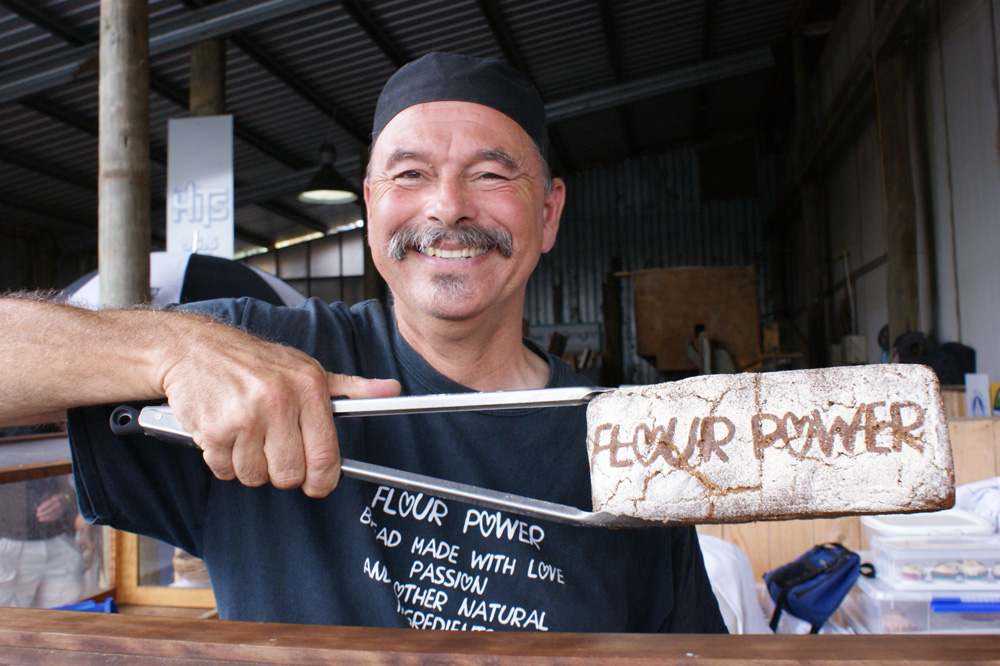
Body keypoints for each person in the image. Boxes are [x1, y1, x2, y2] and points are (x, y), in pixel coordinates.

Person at [0, 52, 726, 633]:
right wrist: (171, 351)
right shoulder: (259, 354)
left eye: (491, 174)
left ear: (548, 211)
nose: (447, 206)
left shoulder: (626, 441)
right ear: (373, 205)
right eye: (410, 175)